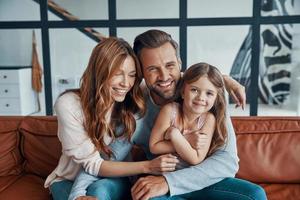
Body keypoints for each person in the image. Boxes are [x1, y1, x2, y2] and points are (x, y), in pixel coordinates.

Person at [131, 29, 267, 200]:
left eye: (170, 65)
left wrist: (169, 181)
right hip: (163, 184)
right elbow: (109, 157)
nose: (164, 76)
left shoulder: (209, 96)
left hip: (203, 181)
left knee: (255, 195)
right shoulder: (134, 106)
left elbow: (227, 161)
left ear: (180, 62)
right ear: (141, 71)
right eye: (152, 69)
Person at [44, 37, 179, 200]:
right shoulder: (69, 104)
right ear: (99, 72)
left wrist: (214, 82)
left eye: (131, 75)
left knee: (99, 190)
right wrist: (77, 195)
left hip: (117, 177)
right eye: (118, 74)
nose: (126, 83)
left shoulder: (133, 98)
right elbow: (92, 164)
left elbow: (172, 81)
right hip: (69, 180)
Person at [149, 63, 227, 171]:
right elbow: (154, 147)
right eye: (194, 90)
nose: (201, 97)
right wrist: (187, 139)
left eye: (209, 93)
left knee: (254, 189)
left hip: (195, 176)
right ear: (183, 92)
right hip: (167, 175)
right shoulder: (170, 111)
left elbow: (196, 158)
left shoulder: (208, 119)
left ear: (215, 99)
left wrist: (174, 134)